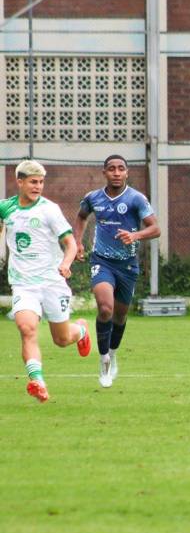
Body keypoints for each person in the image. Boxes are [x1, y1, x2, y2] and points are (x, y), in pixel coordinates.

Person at [2, 160, 91, 403]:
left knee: (62, 339)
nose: (38, 186)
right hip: (23, 284)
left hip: (53, 283)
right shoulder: (5, 209)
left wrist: (65, 263)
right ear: (19, 182)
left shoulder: (49, 210)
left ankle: (81, 330)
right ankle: (37, 381)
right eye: (33, 182)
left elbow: (71, 243)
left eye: (41, 182)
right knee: (26, 328)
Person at [74, 155, 160, 388]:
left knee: (120, 315)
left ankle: (112, 353)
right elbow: (81, 217)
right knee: (105, 308)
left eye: (121, 168)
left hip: (128, 265)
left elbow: (155, 228)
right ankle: (103, 361)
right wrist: (78, 243)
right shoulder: (93, 198)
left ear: (127, 173)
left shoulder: (136, 199)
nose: (116, 172)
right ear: (104, 172)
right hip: (102, 261)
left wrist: (135, 235)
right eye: (111, 169)